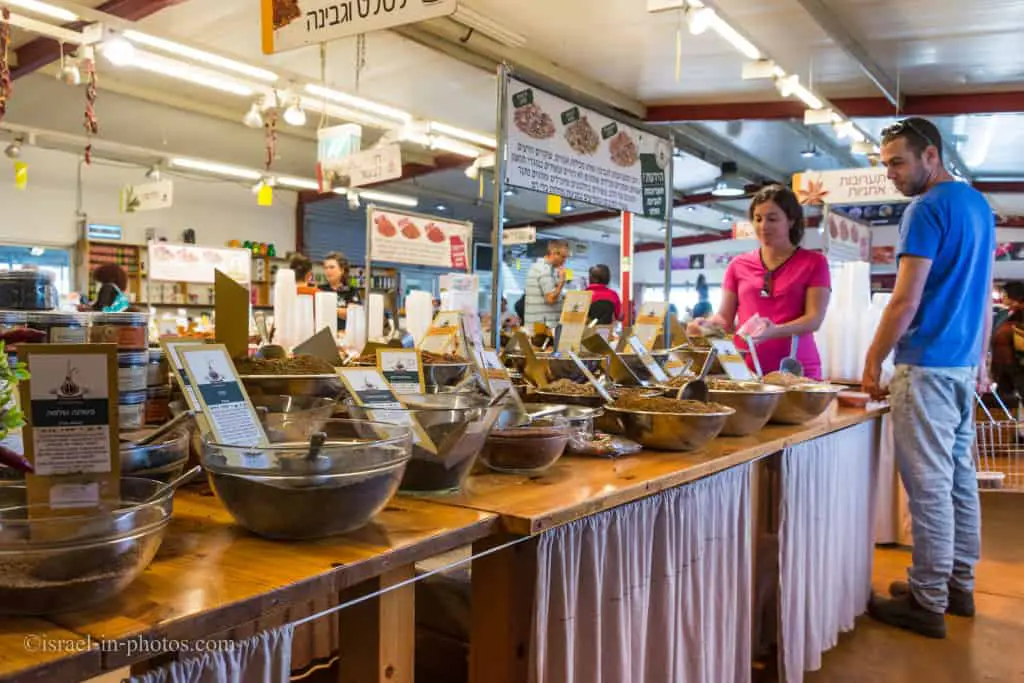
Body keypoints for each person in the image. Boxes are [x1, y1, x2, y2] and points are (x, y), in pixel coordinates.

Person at [862, 117, 995, 639]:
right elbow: (983, 298)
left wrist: (874, 358)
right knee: (960, 484)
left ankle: (927, 600)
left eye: (898, 161)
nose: (891, 173)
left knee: (930, 491)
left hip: (926, 368)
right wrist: (980, 359)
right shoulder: (977, 206)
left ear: (930, 156)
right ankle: (957, 587)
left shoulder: (926, 209)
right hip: (960, 366)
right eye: (885, 163)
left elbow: (906, 297)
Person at [688, 184, 831, 378]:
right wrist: (705, 325)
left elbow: (814, 319)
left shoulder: (814, 262)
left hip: (796, 369)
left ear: (791, 220)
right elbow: (724, 319)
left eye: (772, 219)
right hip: (745, 370)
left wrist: (775, 331)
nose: (763, 226)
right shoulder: (738, 265)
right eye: (758, 219)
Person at [991, 282, 1024, 409]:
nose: (1004, 300)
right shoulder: (1006, 315)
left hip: (1015, 367)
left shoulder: (1008, 321)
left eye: (1005, 296)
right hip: (1006, 368)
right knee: (1003, 404)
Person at [524, 239, 570, 328]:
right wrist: (562, 282)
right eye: (563, 257)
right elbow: (550, 299)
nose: (564, 261)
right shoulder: (544, 270)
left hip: (540, 326)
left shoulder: (541, 268)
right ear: (553, 253)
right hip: (543, 329)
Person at [318, 251, 361, 330]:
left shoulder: (351, 291)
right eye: (325, 268)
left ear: (342, 270)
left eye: (331, 267)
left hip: (344, 335)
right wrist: (340, 311)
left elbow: (354, 314)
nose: (328, 271)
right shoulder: (319, 289)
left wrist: (329, 309)